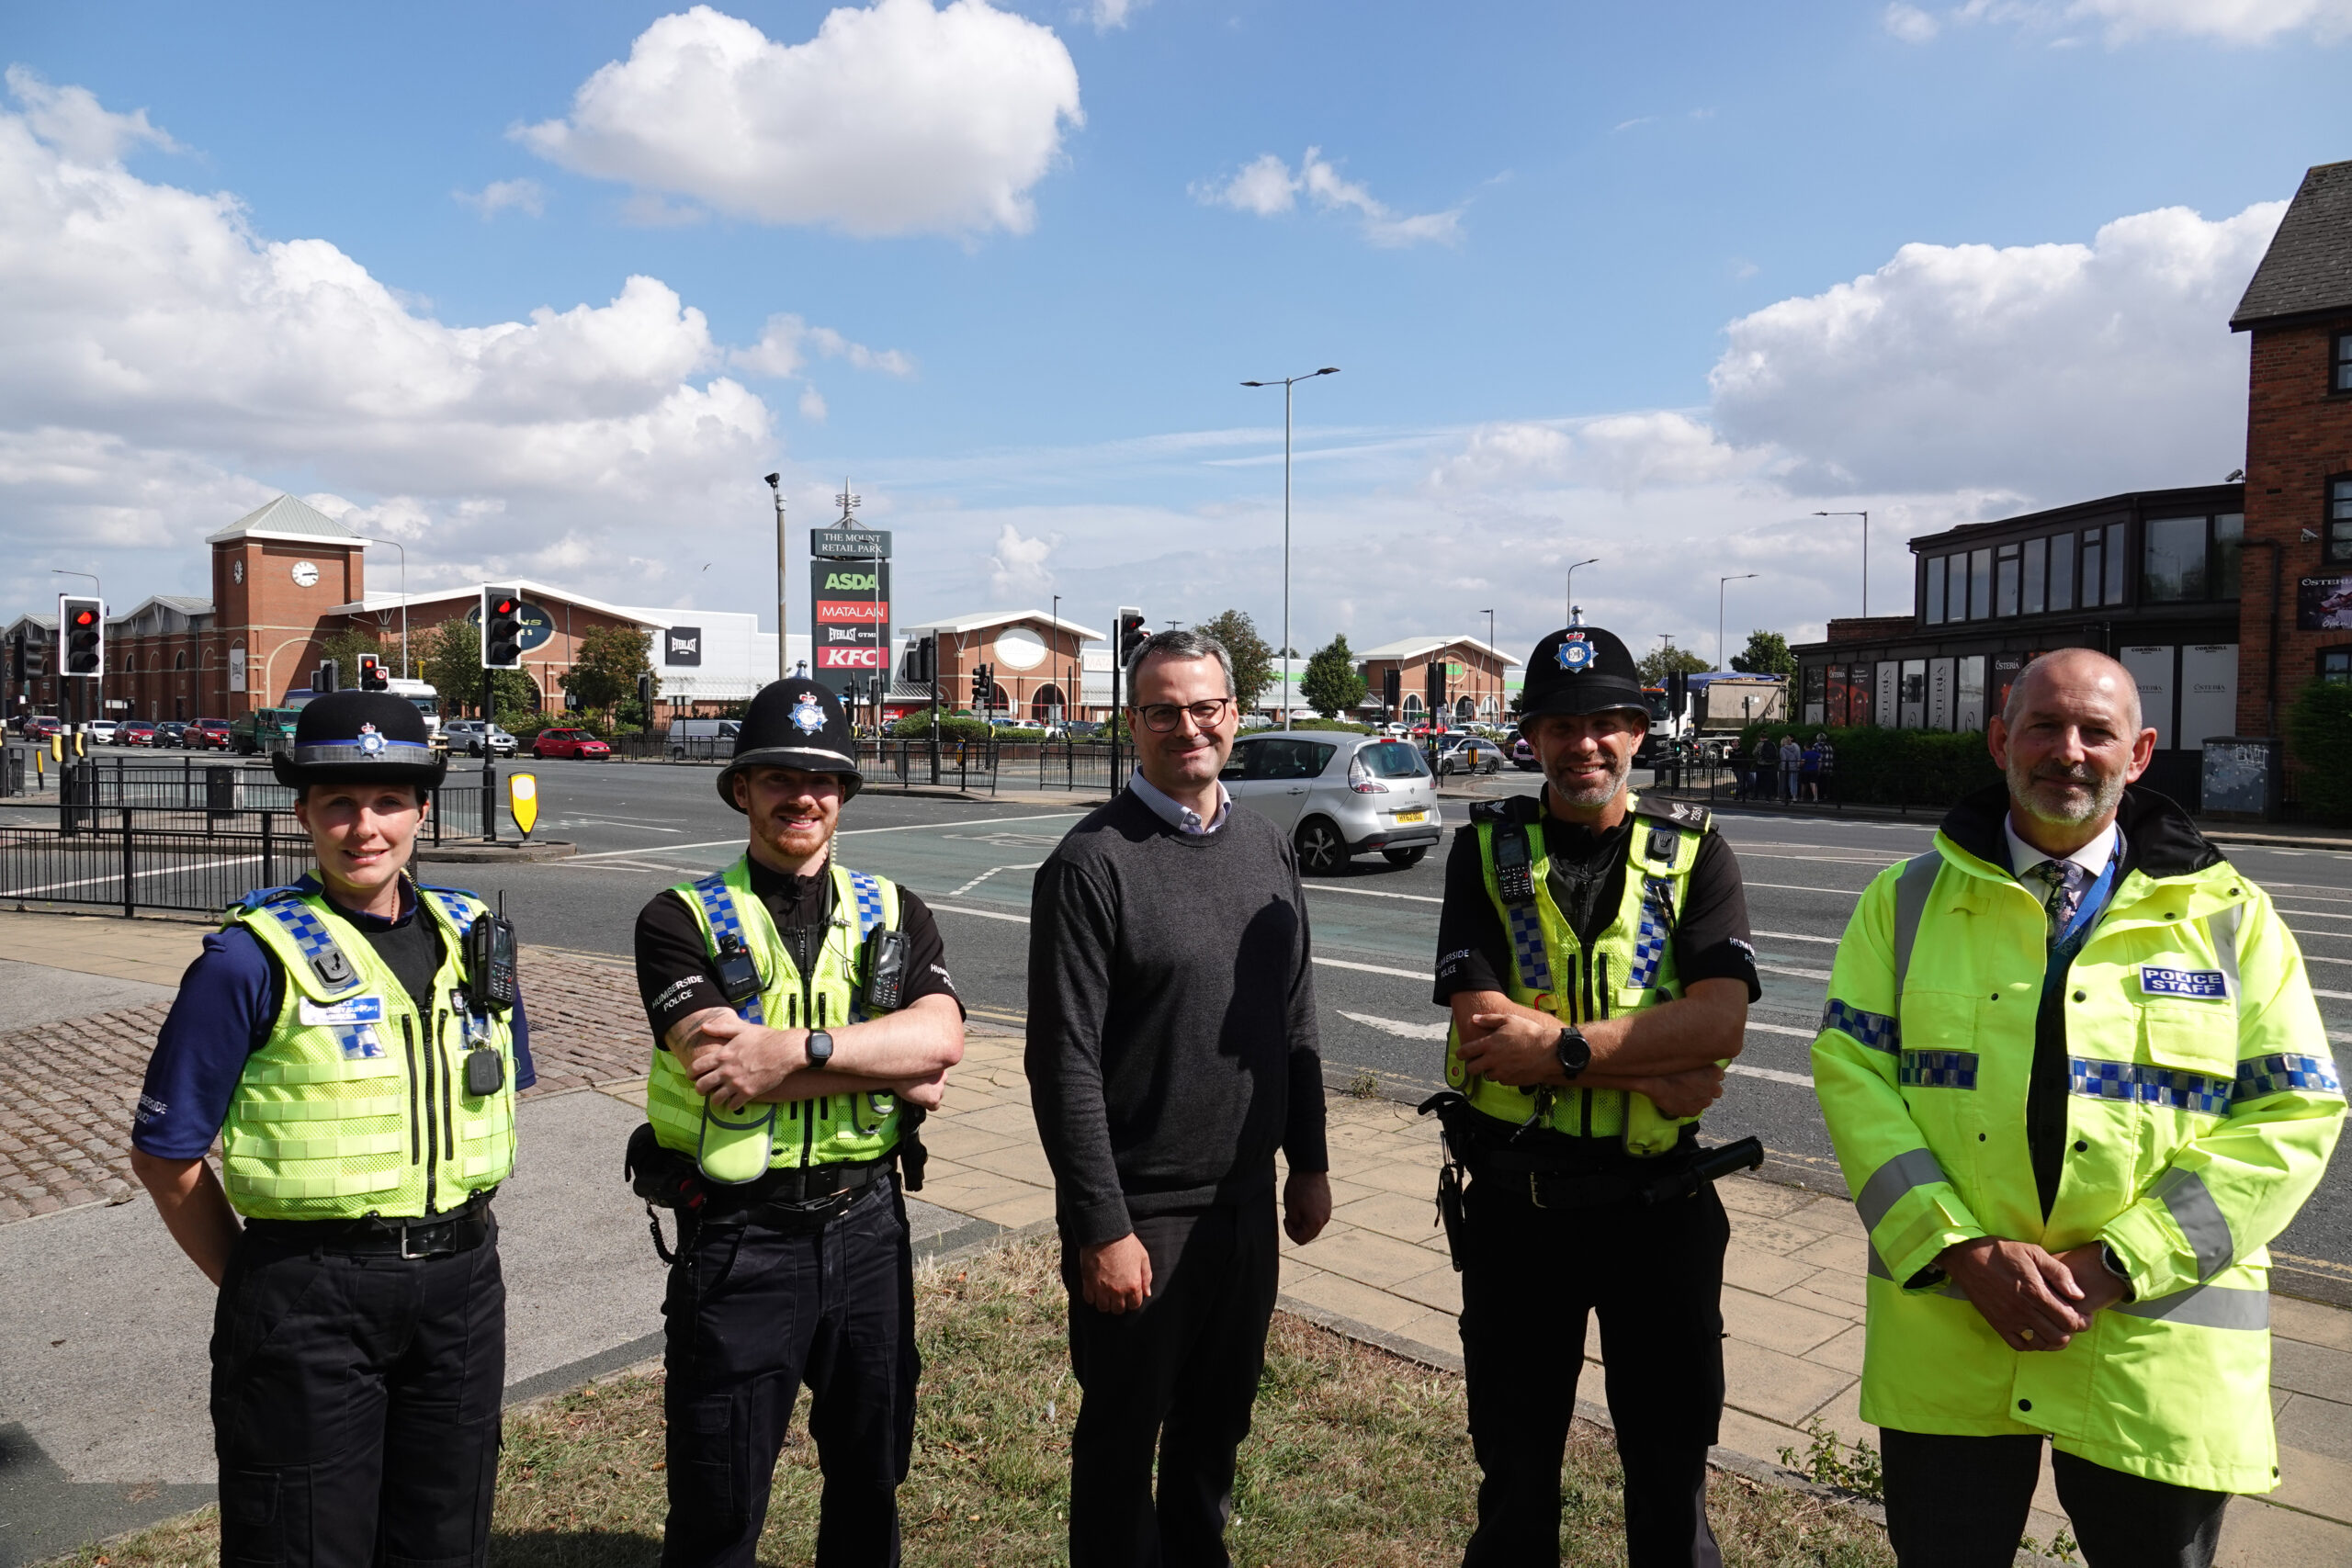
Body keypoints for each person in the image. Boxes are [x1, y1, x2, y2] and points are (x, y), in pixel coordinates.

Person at [1812, 649, 2345, 1568]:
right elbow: (1852, 1076)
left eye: (2096, 731)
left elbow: (2293, 1113)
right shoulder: (1902, 903)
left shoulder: (2233, 917)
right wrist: (1960, 1250)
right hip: (1956, 1328)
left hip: (2149, 1356)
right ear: (1999, 741)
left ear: (2138, 753)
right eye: (2044, 726)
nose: (2069, 750)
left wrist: (2120, 1262)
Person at [129, 689, 535, 1568]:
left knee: (446, 1540)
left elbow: (500, 1090)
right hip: (308, 1296)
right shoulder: (247, 957)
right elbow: (165, 1156)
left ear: (421, 810)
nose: (365, 827)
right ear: (304, 813)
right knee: (303, 1545)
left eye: (388, 800)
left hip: (462, 1287)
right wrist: (258, 1284)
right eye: (339, 802)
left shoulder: (477, 937)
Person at [1427, 624, 1761, 1567]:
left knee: (1671, 1484)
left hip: (1658, 1210)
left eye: (1607, 722)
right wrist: (1652, 1066)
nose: (1586, 743)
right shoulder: (1484, 849)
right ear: (1531, 738)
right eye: (1562, 725)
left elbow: (1721, 1023)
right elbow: (1484, 1035)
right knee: (1515, 1481)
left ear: (1638, 733)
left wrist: (1561, 1051)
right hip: (1517, 1212)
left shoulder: (1696, 852)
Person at [631, 678, 966, 1568]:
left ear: (844, 794)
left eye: (822, 780)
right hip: (742, 1239)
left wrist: (798, 1051)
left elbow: (941, 1041)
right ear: (742, 788)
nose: (802, 797)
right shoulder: (677, 919)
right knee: (720, 1502)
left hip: (868, 1228)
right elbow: (723, 1066)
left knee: (870, 1477)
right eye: (779, 777)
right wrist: (885, 1058)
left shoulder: (896, 910)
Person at [1026, 627, 1331, 1568]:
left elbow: (1294, 1015)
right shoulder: (1091, 864)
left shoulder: (1265, 847)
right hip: (1142, 1215)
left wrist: (1308, 1162)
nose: (1187, 727)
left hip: (1243, 1207)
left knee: (1214, 1434)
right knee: (1122, 1450)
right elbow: (1063, 1062)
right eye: (1163, 711)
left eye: (1205, 708)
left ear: (1234, 715)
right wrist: (1101, 1226)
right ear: (1133, 723)